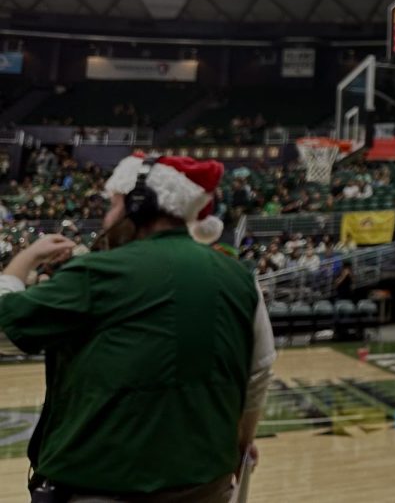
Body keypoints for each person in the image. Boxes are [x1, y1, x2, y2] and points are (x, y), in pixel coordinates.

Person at [0, 155, 275, 501]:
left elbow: (5, 332)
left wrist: (24, 260)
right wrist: (240, 442)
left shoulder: (98, 272)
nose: (107, 216)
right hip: (209, 483)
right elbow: (260, 372)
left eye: (113, 204)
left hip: (101, 485)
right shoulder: (240, 278)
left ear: (139, 205)